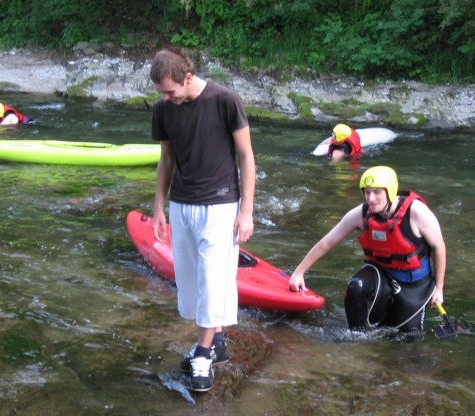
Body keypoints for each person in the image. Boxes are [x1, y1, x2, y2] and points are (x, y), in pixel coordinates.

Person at [149, 47, 256, 392]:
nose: (166, 98)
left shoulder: (225, 100)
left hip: (221, 204)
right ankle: (218, 341)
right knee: (192, 282)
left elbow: (246, 157)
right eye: (161, 93)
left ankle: (204, 353)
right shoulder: (163, 109)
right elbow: (166, 160)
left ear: (188, 77)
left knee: (214, 278)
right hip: (182, 203)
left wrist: (246, 211)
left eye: (170, 91)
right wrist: (158, 208)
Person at [289, 166, 446, 335]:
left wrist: (439, 288)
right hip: (382, 274)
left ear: (390, 191)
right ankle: (358, 339)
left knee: (406, 339)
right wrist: (299, 272)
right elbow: (328, 241)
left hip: (416, 285)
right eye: (367, 192)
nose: (371, 198)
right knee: (356, 286)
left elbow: (439, 247)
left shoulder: (417, 212)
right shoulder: (361, 214)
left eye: (377, 192)